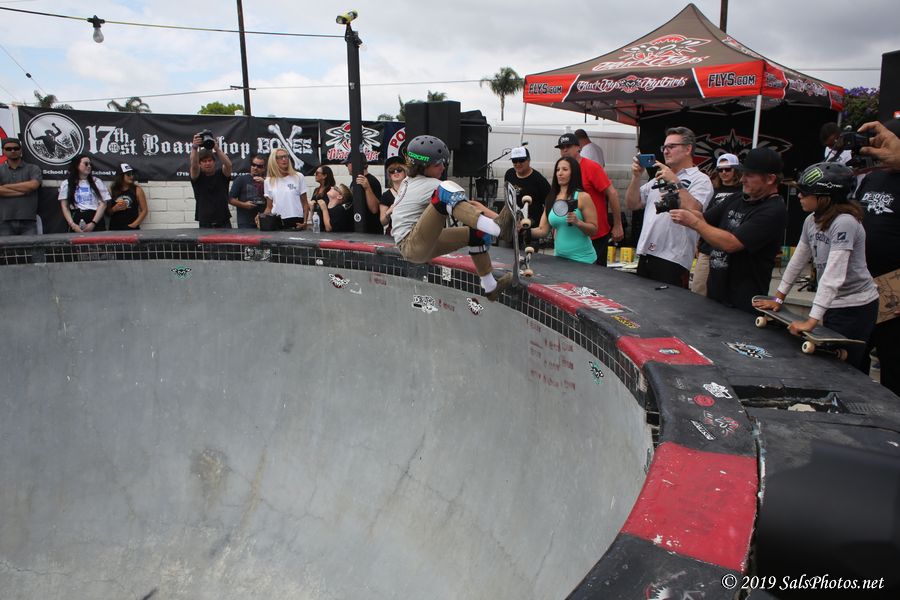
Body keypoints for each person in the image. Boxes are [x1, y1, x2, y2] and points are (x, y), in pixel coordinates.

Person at [753, 162, 878, 373]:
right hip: (834, 304)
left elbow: (833, 275)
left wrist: (811, 321)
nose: (799, 196)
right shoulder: (811, 220)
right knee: (835, 364)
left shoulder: (845, 222)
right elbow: (797, 261)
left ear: (825, 197)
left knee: (845, 369)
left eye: (805, 192)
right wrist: (778, 298)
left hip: (856, 306)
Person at [390, 135, 512, 301]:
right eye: (438, 164)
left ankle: (491, 287)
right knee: (445, 190)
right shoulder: (431, 185)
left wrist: (489, 222)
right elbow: (461, 204)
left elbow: (465, 209)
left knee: (477, 234)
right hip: (411, 244)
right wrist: (496, 221)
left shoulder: (409, 181)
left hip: (422, 243)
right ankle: (498, 228)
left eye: (444, 163)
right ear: (423, 166)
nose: (443, 167)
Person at [671, 148, 787, 313]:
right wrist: (677, 205)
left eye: (749, 175)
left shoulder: (773, 210)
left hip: (741, 303)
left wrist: (694, 222)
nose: (743, 179)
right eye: (743, 174)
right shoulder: (738, 198)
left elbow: (732, 244)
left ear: (770, 179)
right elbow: (704, 217)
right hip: (716, 295)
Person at [625, 126, 714, 287]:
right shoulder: (659, 177)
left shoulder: (700, 179)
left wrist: (675, 182)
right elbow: (632, 204)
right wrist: (636, 177)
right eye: (664, 147)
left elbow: (695, 209)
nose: (666, 151)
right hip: (646, 253)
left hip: (673, 258)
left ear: (688, 149)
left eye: (672, 146)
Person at [856, 118, 900, 395]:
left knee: (892, 363)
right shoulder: (873, 177)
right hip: (863, 284)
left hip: (894, 286)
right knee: (854, 358)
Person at [556, 133, 623, 265]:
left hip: (595, 234)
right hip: (572, 235)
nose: (565, 150)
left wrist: (617, 224)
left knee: (594, 275)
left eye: (568, 146)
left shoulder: (592, 167)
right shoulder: (561, 171)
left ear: (578, 147)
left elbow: (612, 193)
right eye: (561, 147)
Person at [690, 153, 743, 295]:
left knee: (724, 291)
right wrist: (698, 241)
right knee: (698, 287)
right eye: (720, 170)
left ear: (736, 170)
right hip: (708, 246)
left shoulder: (743, 192)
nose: (724, 172)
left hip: (731, 246)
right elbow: (704, 217)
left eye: (728, 169)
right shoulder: (713, 191)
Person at [530, 156, 598, 264]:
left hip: (583, 260)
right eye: (557, 170)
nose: (560, 173)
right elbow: (543, 230)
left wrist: (578, 223)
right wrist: (525, 231)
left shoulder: (583, 197)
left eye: (565, 169)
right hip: (559, 259)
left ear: (573, 173)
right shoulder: (551, 198)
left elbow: (594, 230)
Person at [503, 146, 550, 242]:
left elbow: (549, 204)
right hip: (512, 224)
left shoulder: (539, 180)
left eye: (521, 160)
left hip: (531, 227)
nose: (518, 164)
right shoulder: (509, 174)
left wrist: (534, 222)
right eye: (514, 161)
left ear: (528, 160)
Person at [189, 132, 233, 229]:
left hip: (224, 221)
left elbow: (228, 165)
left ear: (214, 162)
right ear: (200, 164)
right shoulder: (198, 177)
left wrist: (216, 148)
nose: (207, 163)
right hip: (205, 222)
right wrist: (194, 147)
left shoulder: (221, 174)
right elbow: (194, 166)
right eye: (204, 161)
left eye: (210, 160)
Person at [0, 137, 42, 236]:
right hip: (4, 220)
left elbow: (33, 185)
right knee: (7, 247)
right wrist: (23, 191)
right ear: (3, 151)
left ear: (21, 150)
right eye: (8, 149)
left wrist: (5, 186)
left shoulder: (33, 168)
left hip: (29, 220)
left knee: (32, 247)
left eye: (16, 148)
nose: (13, 151)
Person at [58, 154, 110, 232]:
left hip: (95, 217)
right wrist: (72, 224)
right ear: (77, 165)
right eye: (86, 164)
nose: (89, 166)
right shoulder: (67, 183)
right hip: (76, 217)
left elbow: (103, 204)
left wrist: (93, 223)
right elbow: (64, 206)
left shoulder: (97, 181)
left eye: (90, 164)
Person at [263, 147, 309, 230]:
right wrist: (262, 218)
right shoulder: (268, 181)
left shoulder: (298, 177)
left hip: (296, 221)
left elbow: (305, 203)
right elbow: (269, 207)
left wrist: (305, 222)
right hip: (277, 221)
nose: (284, 159)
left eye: (286, 156)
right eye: (280, 157)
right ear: (274, 160)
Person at [228, 154, 267, 229]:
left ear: (264, 168)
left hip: (264, 220)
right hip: (245, 222)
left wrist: (265, 183)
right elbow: (230, 199)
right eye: (253, 165)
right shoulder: (241, 179)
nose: (255, 168)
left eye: (259, 166)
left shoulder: (268, 182)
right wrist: (244, 204)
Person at [346, 156, 383, 234]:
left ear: (353, 164)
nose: (347, 167)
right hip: (358, 228)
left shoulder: (372, 181)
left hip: (371, 230)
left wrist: (367, 188)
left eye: (347, 164)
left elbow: (374, 209)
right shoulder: (354, 181)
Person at [107, 163, 148, 230]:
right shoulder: (112, 190)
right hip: (115, 228)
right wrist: (114, 209)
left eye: (132, 174)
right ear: (121, 176)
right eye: (128, 174)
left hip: (131, 229)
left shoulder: (137, 190)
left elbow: (144, 210)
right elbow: (107, 212)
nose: (132, 176)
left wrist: (133, 225)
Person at [380, 156, 406, 235]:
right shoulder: (386, 195)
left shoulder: (412, 191)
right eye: (392, 170)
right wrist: (389, 211)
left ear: (405, 172)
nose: (395, 172)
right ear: (389, 175)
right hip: (393, 233)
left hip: (410, 231)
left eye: (399, 169)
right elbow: (383, 222)